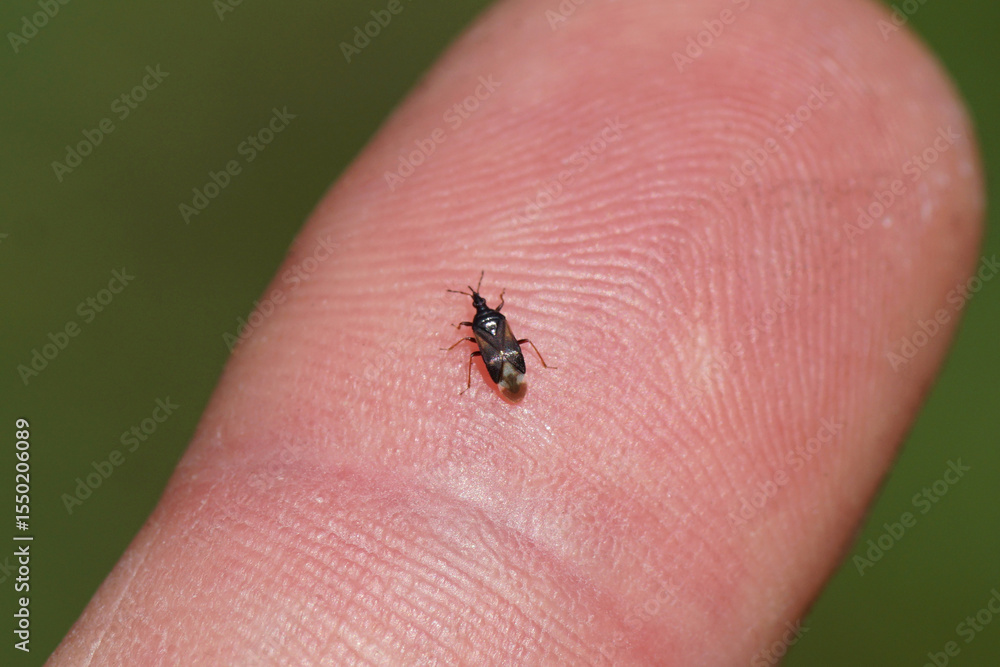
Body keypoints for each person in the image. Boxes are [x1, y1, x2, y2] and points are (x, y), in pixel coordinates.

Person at [49, 0, 983, 663]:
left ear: (492, 329)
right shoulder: (489, 338)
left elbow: (507, 348)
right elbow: (494, 347)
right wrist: (491, 363)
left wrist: (504, 363)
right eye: (487, 328)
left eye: (488, 326)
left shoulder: (501, 340)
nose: (488, 330)